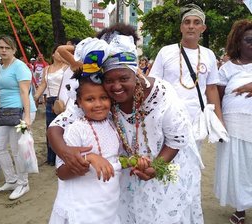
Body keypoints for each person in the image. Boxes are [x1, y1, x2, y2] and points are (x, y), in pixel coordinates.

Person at [48, 34, 204, 223]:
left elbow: (176, 140)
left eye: (123, 78)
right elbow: (57, 126)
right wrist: (66, 153)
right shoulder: (103, 97)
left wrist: (155, 167)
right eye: (109, 80)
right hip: (124, 174)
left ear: (136, 73)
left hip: (164, 166)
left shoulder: (161, 95)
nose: (116, 87)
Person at [49, 67, 122, 224]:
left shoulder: (114, 124)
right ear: (79, 102)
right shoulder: (75, 129)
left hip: (109, 204)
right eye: (90, 99)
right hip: (83, 207)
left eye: (104, 97)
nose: (98, 104)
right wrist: (88, 158)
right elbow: (62, 172)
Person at [149, 4, 223, 147]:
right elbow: (154, 85)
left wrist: (219, 121)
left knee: (193, 163)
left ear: (203, 28)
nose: (191, 26)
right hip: (168, 117)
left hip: (196, 119)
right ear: (181, 27)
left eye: (196, 22)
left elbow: (211, 89)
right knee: (169, 163)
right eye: (187, 22)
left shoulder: (209, 55)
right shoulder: (166, 52)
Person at [214, 19, 252, 224]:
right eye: (248, 39)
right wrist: (219, 123)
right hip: (234, 125)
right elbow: (217, 97)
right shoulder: (226, 68)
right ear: (238, 41)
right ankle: (240, 209)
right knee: (238, 167)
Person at [0, 35, 37, 200]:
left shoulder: (20, 67)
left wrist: (27, 117)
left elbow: (25, 92)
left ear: (14, 50)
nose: (3, 50)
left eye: (7, 48)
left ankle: (23, 183)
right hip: (6, 113)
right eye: (1, 47)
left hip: (21, 112)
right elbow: (0, 93)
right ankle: (11, 179)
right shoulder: (2, 68)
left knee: (17, 148)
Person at [34, 45, 68, 166]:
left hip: (62, 101)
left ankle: (63, 157)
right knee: (50, 129)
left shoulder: (66, 68)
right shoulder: (47, 69)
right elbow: (43, 84)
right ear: (53, 54)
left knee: (63, 129)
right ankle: (51, 158)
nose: (60, 54)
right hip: (49, 100)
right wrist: (35, 97)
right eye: (57, 52)